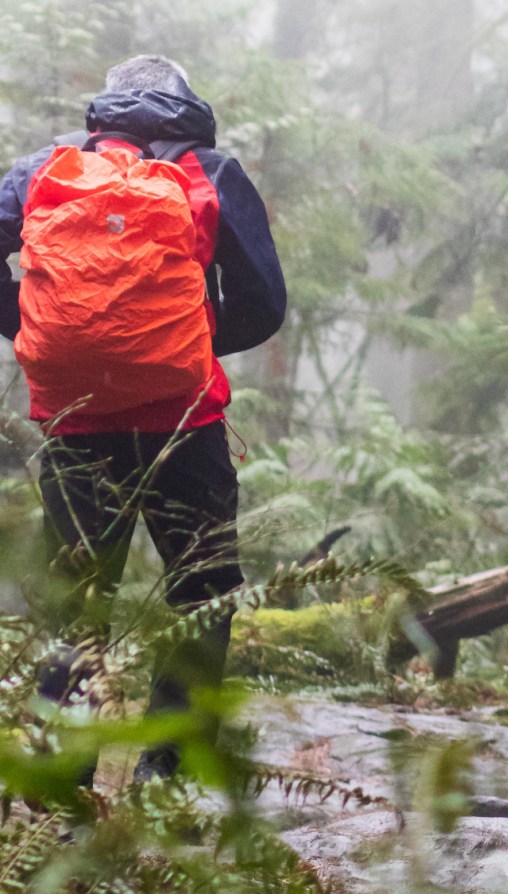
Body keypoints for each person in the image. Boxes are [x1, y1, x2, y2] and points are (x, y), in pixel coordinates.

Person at [0, 55, 287, 786]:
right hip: (186, 423)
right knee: (203, 591)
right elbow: (264, 303)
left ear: (106, 105)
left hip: (75, 422)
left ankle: (59, 786)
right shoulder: (211, 173)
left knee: (79, 600)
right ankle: (170, 775)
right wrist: (177, 340)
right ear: (186, 100)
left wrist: (32, 328)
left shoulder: (43, 170)